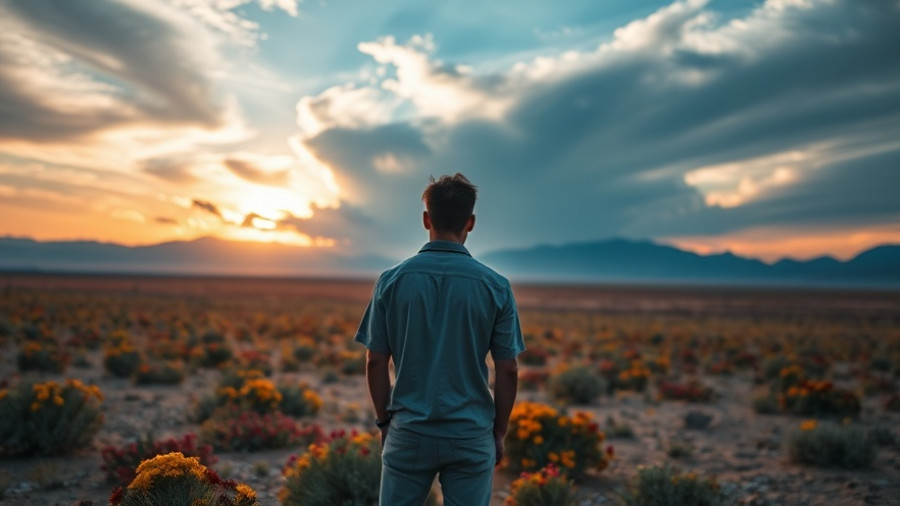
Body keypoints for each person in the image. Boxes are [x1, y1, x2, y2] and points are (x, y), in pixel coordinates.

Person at [355, 173, 525, 506]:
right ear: (471, 222)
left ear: (426, 219)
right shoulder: (496, 286)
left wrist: (385, 423)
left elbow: (376, 360)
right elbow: (508, 370)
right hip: (471, 433)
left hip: (409, 431)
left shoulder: (392, 281)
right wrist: (498, 432)